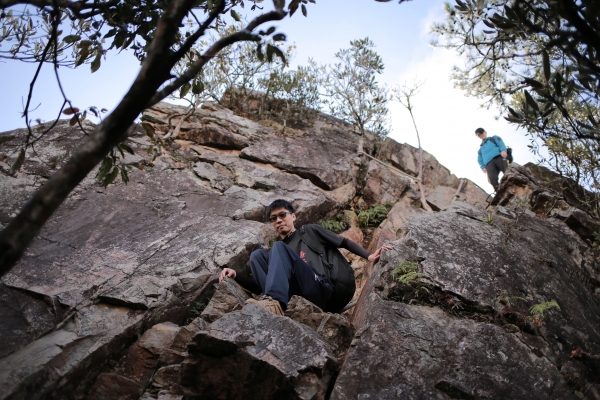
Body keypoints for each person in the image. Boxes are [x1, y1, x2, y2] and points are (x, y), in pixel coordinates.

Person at [219, 199, 392, 316]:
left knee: (277, 248)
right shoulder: (277, 252)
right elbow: (260, 286)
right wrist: (236, 276)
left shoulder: (308, 231)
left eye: (282, 215)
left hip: (322, 290)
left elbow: (344, 242)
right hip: (295, 295)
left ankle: (275, 303)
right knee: (257, 255)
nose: (278, 220)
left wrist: (369, 256)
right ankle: (275, 304)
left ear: (293, 216)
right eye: (273, 218)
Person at [476, 127, 508, 192]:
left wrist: (503, 150)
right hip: (488, 163)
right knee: (491, 178)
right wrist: (482, 167)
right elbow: (479, 159)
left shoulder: (493, 138)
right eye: (479, 135)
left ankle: (513, 181)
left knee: (507, 170)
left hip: (498, 156)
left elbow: (501, 143)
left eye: (482, 133)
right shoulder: (480, 150)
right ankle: (499, 191)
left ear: (485, 132)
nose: (481, 135)